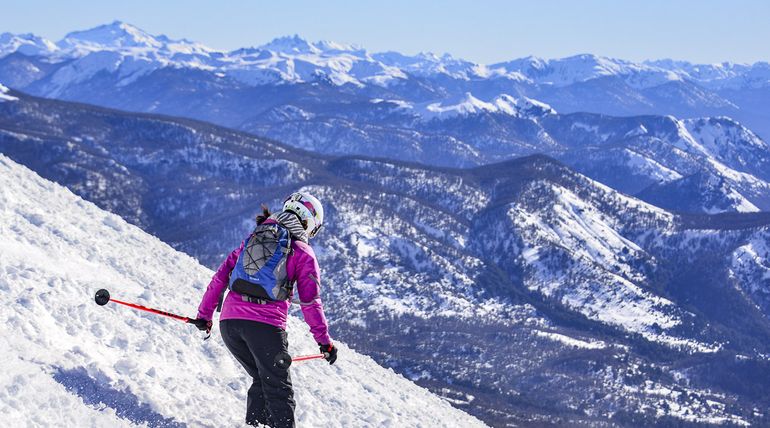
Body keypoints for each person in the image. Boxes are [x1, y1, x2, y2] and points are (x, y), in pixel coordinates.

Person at [191, 191, 337, 428]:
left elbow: (220, 277)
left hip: (230, 325)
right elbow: (311, 302)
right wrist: (325, 343)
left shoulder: (254, 237)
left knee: (262, 378)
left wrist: (204, 316)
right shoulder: (303, 252)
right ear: (310, 223)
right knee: (279, 390)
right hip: (265, 328)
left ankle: (256, 425)